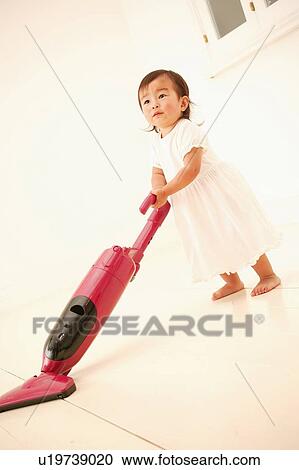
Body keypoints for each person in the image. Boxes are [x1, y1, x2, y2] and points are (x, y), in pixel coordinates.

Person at [138, 69, 282, 300]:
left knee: (235, 231)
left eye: (162, 96)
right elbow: (158, 171)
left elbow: (191, 170)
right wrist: (158, 189)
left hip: (213, 192)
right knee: (208, 240)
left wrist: (166, 190)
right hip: (187, 199)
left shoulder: (188, 130)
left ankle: (267, 275)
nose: (154, 104)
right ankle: (233, 281)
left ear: (183, 102)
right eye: (146, 101)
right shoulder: (156, 141)